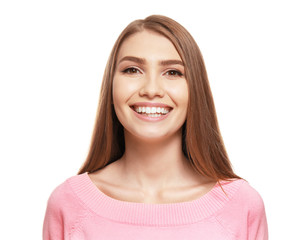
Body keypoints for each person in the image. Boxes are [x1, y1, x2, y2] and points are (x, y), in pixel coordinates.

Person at [43, 15, 268, 239]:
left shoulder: (242, 206)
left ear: (195, 92)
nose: (151, 89)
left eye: (173, 72)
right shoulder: (67, 204)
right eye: (132, 70)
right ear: (111, 88)